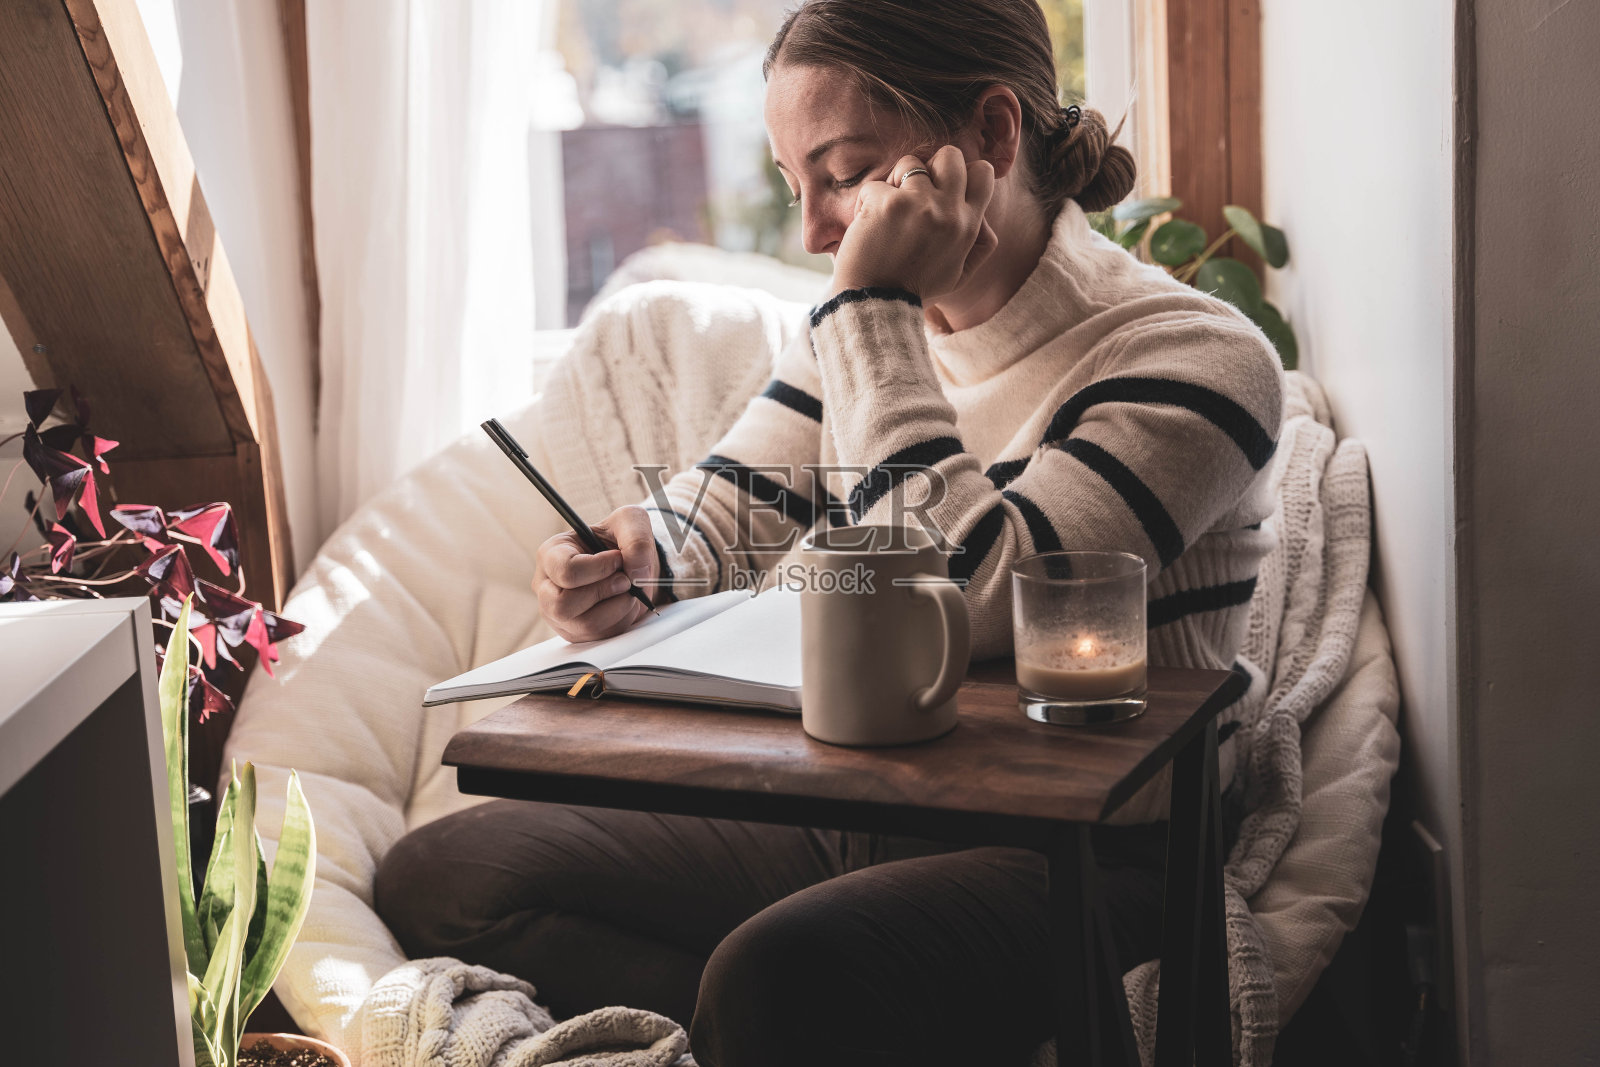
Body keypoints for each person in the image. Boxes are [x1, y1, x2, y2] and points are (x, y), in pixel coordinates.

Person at [375, 1, 1284, 1063]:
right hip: (855, 794)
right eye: (792, 184)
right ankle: (767, 1029)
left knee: (779, 973)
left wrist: (876, 316)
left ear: (990, 135)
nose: (813, 234)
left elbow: (973, 594)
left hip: (1084, 845)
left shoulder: (1195, 358)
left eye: (843, 173)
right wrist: (635, 556)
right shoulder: (861, 333)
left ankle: (779, 1010)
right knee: (439, 876)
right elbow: (722, 513)